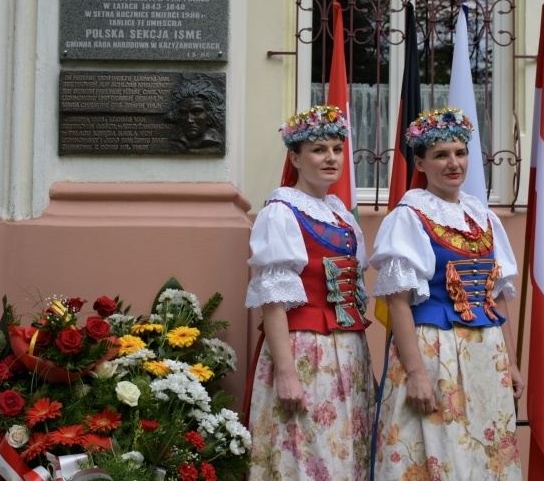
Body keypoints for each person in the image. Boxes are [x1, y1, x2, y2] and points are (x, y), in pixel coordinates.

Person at [370, 107, 524, 480]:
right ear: (420, 163)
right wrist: (416, 374)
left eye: (460, 152)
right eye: (441, 155)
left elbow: (495, 297)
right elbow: (398, 302)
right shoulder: (408, 217)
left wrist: (512, 362)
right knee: (437, 452)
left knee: (486, 456)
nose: (453, 163)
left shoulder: (484, 217)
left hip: (486, 355)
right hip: (435, 352)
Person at [244, 105, 375, 480]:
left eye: (337, 149)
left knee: (346, 452)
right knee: (305, 451)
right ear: (295, 158)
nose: (331, 157)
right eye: (319, 150)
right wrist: (286, 373)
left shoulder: (340, 214)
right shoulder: (281, 211)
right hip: (305, 350)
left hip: (348, 351)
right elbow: (273, 301)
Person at [167, 77, 225, 152]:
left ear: (210, 114)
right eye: (183, 113)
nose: (189, 120)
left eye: (197, 112)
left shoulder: (216, 142)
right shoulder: (175, 142)